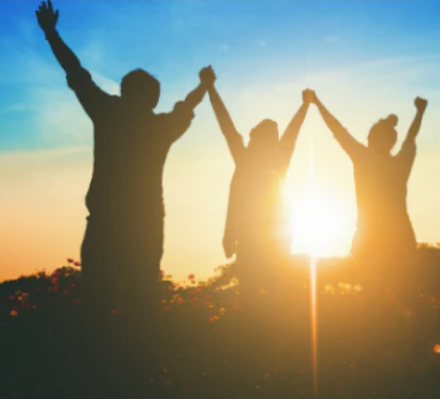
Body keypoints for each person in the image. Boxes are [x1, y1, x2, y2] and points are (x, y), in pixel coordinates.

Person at [36, 0, 214, 315]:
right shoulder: (160, 128)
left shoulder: (108, 113)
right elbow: (187, 106)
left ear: (123, 91)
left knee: (98, 304)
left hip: (105, 225)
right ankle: (137, 357)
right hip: (144, 226)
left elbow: (76, 72)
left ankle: (101, 358)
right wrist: (204, 85)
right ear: (154, 98)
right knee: (141, 305)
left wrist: (51, 33)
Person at [206, 68, 310, 299]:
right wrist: (210, 89)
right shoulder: (251, 160)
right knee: (259, 295)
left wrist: (305, 106)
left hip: (271, 238)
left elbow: (292, 131)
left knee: (272, 295)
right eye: (269, 134)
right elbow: (226, 124)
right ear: (257, 138)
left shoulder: (264, 160)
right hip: (255, 238)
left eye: (273, 135)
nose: (273, 139)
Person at [306, 89, 428, 267]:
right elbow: (411, 137)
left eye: (371, 137)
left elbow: (338, 130)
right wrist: (419, 112)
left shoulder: (363, 157)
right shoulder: (401, 162)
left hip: (371, 242)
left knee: (371, 292)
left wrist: (317, 103)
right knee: (403, 290)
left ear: (374, 138)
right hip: (400, 240)